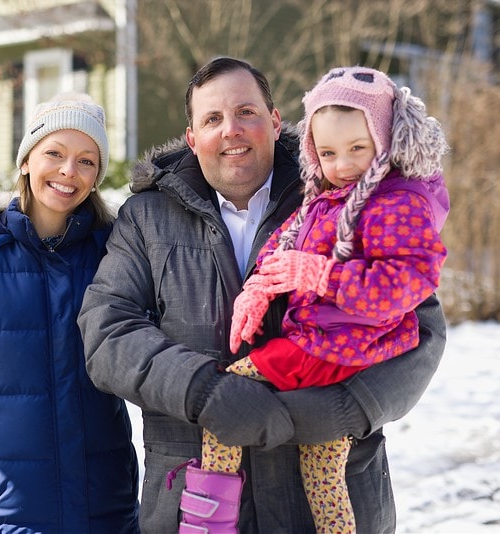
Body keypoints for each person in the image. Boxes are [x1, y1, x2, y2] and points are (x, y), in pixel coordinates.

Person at [78, 57, 447, 533]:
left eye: (246, 112)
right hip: (194, 503)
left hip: (324, 499)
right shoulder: (146, 218)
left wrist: (347, 407)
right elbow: (109, 333)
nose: (231, 129)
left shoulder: (343, 191)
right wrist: (204, 390)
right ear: (192, 137)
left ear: (275, 122)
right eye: (212, 119)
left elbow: (421, 326)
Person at [199, 66, 450, 533]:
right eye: (328, 153)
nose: (343, 165)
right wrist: (258, 287)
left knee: (225, 402)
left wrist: (319, 275)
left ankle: (207, 525)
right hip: (333, 345)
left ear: (387, 137)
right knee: (322, 470)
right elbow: (286, 242)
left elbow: (404, 284)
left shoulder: (397, 202)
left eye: (358, 148)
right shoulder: (329, 197)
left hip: (330, 346)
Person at [0, 93, 139, 533]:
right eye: (54, 153)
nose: (67, 171)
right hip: (5, 507)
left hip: (104, 504)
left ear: (96, 176)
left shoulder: (117, 251)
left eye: (86, 161)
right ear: (25, 161)